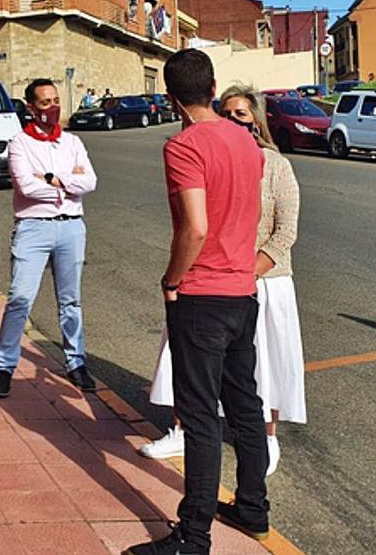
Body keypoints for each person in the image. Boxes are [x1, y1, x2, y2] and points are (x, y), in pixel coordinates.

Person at [128, 50, 269, 555]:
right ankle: (253, 507)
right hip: (242, 292)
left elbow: (196, 226)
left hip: (203, 294)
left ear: (171, 98)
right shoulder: (247, 142)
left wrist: (172, 279)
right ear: (212, 88)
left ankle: (193, 535)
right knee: (244, 403)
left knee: (200, 416)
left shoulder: (183, 146)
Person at [138, 84, 307, 476]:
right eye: (226, 112)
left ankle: (266, 438)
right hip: (213, 280)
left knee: (262, 369)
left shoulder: (275, 165)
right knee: (186, 362)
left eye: (241, 115)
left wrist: (247, 270)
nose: (232, 121)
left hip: (262, 279)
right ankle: (182, 428)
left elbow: (286, 232)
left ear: (257, 120)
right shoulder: (207, 153)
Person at [0, 79, 98, 397]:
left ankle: (76, 362)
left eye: (55, 101)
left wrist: (52, 179)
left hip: (71, 227)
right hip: (33, 227)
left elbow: (90, 181)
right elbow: (26, 187)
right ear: (30, 107)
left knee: (71, 301)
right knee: (20, 298)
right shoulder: (20, 144)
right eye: (44, 103)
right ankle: (4, 365)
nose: (52, 108)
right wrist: (68, 184)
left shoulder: (72, 142)